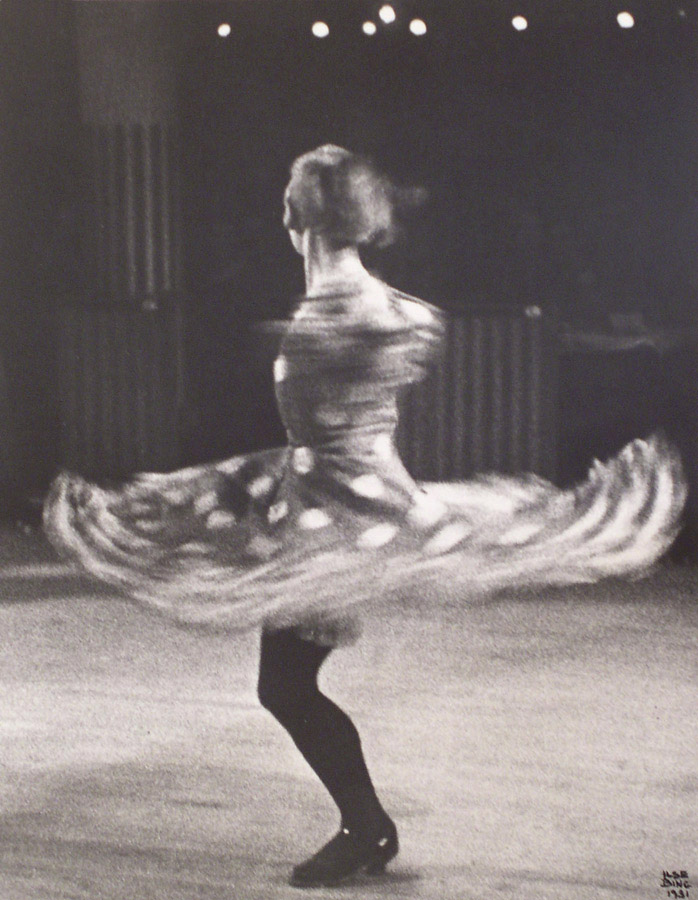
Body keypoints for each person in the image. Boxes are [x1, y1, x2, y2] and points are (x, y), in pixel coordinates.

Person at [44, 144, 686, 888]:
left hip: (337, 518)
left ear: (293, 216)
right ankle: (366, 826)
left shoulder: (340, 314)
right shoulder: (366, 308)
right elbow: (403, 339)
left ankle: (367, 829)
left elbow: (364, 364)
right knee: (285, 686)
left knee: (284, 688)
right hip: (324, 497)